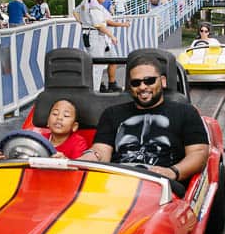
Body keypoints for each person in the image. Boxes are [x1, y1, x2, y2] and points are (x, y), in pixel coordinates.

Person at [80, 53, 210, 195]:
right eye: (136, 83)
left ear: (163, 81)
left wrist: (173, 172)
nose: (142, 87)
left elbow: (199, 153)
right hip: (117, 182)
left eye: (149, 81)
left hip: (164, 186)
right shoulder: (112, 114)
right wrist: (87, 158)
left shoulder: (186, 112)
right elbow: (101, 150)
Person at [0, 98, 88, 160]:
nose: (59, 118)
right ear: (47, 122)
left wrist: (65, 161)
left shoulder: (78, 143)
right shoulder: (38, 140)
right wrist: (1, 156)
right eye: (55, 114)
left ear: (74, 126)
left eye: (66, 116)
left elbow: (80, 169)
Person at [78, 0, 118, 90]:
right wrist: (112, 36)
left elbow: (75, 12)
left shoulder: (86, 1)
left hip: (88, 33)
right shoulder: (94, 4)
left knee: (95, 63)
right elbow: (99, 25)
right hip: (95, 36)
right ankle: (94, 92)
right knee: (97, 66)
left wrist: (83, 23)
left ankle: (94, 89)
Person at [99, 0, 130, 93]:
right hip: (100, 39)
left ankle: (110, 83)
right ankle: (100, 85)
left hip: (104, 39)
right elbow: (105, 23)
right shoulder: (95, 7)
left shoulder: (99, 7)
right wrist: (122, 25)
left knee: (112, 60)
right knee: (98, 64)